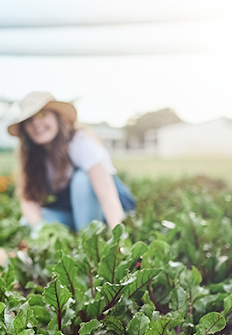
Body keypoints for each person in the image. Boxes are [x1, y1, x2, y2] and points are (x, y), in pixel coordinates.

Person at [8, 91, 136, 236]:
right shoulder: (33, 156)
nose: (36, 122)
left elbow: (108, 197)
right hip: (75, 213)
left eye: (42, 114)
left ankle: (88, 242)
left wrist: (119, 237)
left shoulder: (80, 142)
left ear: (57, 116)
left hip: (109, 212)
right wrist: (39, 230)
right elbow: (28, 199)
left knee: (81, 180)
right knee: (28, 221)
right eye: (29, 120)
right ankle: (75, 238)